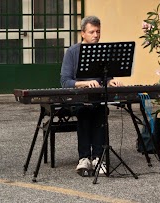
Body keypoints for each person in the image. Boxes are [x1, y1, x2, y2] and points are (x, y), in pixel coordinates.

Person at [60, 16, 123, 177]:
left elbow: (106, 78)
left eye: (98, 32)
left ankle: (97, 157)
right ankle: (84, 158)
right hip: (77, 98)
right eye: (92, 32)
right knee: (84, 110)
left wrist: (111, 82)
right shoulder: (72, 52)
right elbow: (65, 81)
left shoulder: (102, 51)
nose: (96, 35)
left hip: (96, 98)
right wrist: (84, 84)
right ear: (83, 34)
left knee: (100, 110)